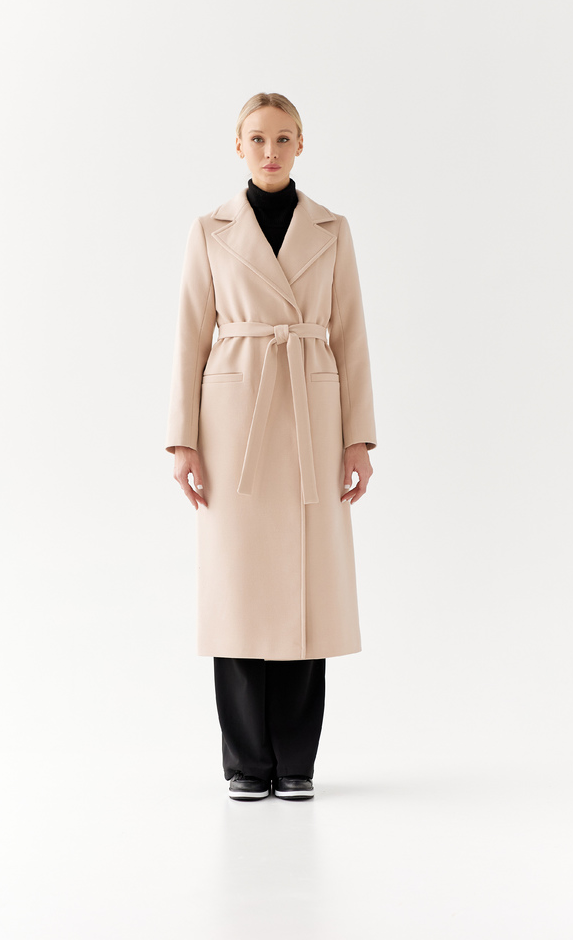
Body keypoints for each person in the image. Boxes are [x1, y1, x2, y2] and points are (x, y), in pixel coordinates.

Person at [166, 92, 377, 801]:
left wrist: (358, 437)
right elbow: (190, 336)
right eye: (257, 138)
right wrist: (182, 441)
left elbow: (350, 334)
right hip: (233, 420)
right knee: (236, 589)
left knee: (304, 591)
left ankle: (295, 764)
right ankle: (245, 763)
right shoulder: (210, 229)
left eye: (283, 138)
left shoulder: (332, 230)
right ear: (238, 146)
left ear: (301, 144)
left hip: (313, 413)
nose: (270, 151)